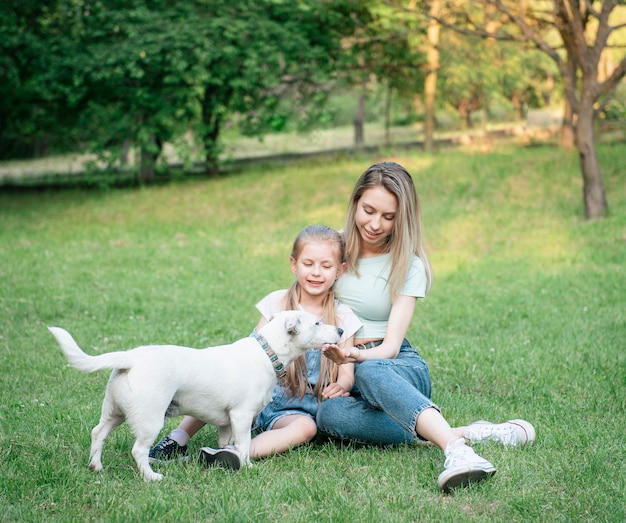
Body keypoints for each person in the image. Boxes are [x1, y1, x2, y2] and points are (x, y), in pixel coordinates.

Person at [317, 161, 535, 493]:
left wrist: (356, 358)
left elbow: (390, 347)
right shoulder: (331, 249)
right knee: (329, 417)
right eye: (368, 210)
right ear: (355, 203)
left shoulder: (409, 264)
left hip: (395, 365)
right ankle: (462, 431)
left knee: (371, 371)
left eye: (388, 217)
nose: (375, 224)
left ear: (401, 218)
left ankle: (457, 452)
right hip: (341, 367)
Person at [149, 224, 361, 469]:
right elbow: (251, 352)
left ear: (340, 270)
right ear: (294, 264)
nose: (316, 272)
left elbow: (347, 374)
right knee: (216, 385)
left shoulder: (342, 317)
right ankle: (178, 439)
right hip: (251, 392)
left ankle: (236, 452)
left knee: (306, 428)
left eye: (326, 266)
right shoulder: (277, 303)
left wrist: (340, 385)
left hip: (293, 411)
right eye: (308, 264)